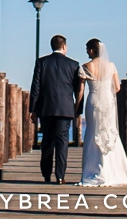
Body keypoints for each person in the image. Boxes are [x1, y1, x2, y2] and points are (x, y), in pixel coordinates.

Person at [76, 39, 127, 186]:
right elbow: (117, 87)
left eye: (87, 48)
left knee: (93, 133)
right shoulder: (111, 66)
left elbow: (81, 90)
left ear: (91, 50)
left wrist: (77, 106)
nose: (86, 51)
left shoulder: (85, 67)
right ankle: (114, 171)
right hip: (108, 103)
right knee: (109, 132)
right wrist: (106, 94)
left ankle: (93, 169)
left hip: (94, 101)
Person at [29, 33, 83, 183]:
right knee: (62, 142)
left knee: (47, 141)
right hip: (65, 109)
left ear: (52, 46)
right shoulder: (73, 64)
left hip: (46, 108)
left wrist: (33, 109)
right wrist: (78, 110)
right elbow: (78, 89)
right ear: (64, 46)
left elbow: (35, 87)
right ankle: (60, 176)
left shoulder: (41, 62)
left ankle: (46, 174)